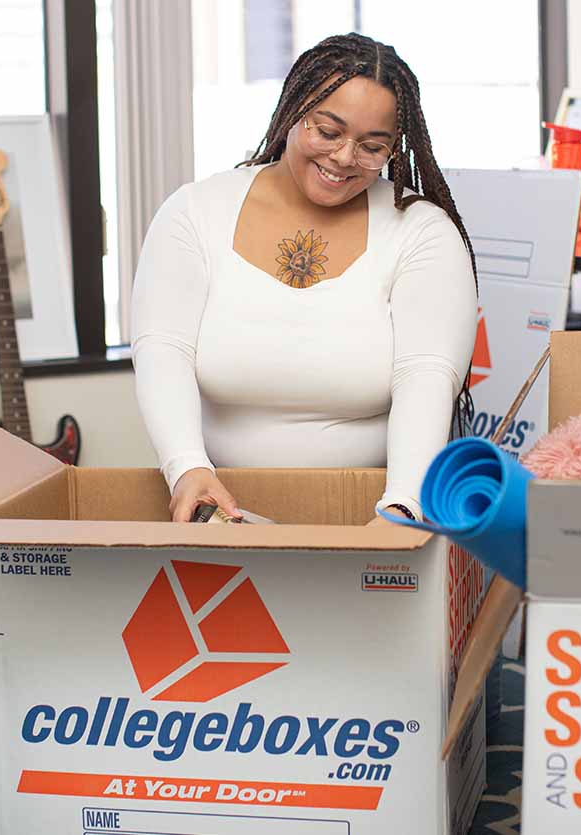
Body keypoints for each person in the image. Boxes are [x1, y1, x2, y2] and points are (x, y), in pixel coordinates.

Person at [131, 33, 478, 524]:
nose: (342, 158)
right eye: (328, 131)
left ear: (395, 149)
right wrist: (186, 466)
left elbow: (426, 375)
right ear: (293, 110)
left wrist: (404, 503)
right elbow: (162, 349)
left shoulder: (421, 231)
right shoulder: (195, 211)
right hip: (216, 505)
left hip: (373, 508)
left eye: (371, 146)